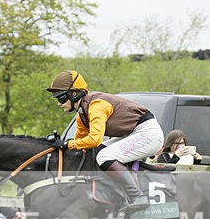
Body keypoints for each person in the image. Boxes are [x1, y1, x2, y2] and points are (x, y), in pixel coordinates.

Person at [46, 70, 164, 211]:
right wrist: (62, 146)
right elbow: (82, 145)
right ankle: (117, 193)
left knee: (104, 156)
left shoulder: (96, 105)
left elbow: (94, 139)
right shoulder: (82, 115)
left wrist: (67, 144)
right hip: (133, 134)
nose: (59, 104)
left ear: (74, 94)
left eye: (61, 98)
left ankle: (137, 196)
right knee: (97, 153)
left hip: (148, 133)